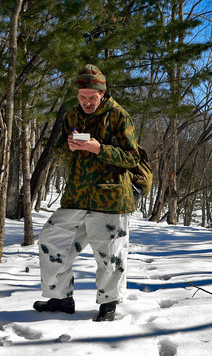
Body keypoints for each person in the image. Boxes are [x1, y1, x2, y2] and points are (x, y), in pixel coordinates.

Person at [33, 64, 140, 322]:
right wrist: (68, 148)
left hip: (110, 199)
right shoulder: (71, 116)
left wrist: (98, 148)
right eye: (82, 97)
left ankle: (108, 303)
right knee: (51, 241)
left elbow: (132, 157)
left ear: (102, 94)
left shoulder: (118, 116)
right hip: (76, 196)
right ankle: (61, 298)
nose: (87, 102)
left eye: (93, 97)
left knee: (110, 254)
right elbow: (58, 153)